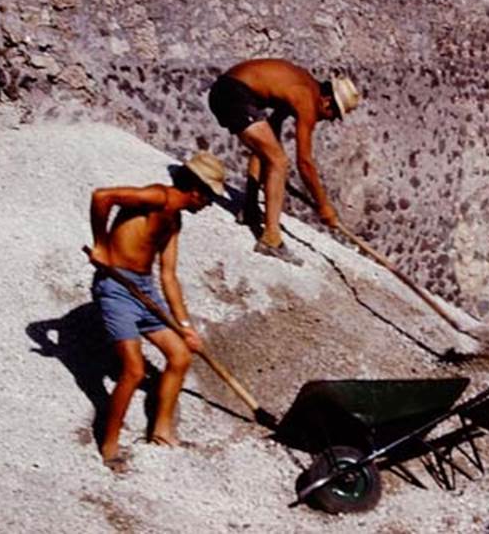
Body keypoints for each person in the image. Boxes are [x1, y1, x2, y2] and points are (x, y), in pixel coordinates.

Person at [87, 152, 226, 471]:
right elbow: (102, 197)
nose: (208, 205)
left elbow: (169, 276)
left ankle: (161, 432)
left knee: (180, 355)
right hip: (116, 287)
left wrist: (185, 327)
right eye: (209, 198)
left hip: (144, 289)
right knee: (134, 370)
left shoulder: (174, 221)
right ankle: (109, 446)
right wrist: (101, 244)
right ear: (197, 191)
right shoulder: (157, 196)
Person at [207, 59, 360, 263]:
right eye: (334, 114)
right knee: (279, 161)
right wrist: (324, 205)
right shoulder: (308, 99)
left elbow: (273, 127)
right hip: (235, 95)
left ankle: (250, 209)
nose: (330, 119)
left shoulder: (302, 84)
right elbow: (304, 162)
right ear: (327, 101)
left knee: (268, 152)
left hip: (225, 90)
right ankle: (271, 239)